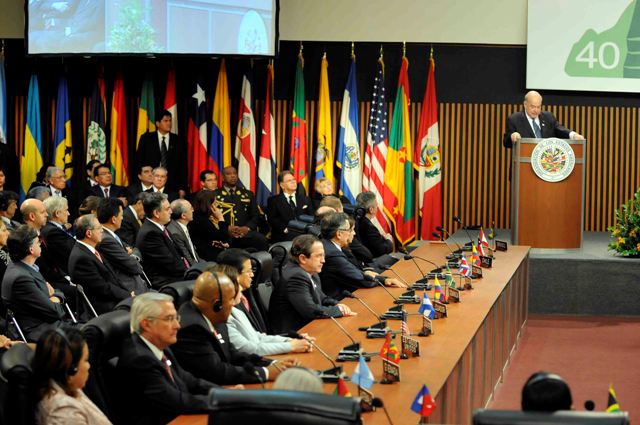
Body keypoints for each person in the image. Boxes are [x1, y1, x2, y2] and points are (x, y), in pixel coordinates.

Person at [173, 270, 295, 385]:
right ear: (217, 304)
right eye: (231, 299)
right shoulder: (192, 329)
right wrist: (266, 373)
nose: (235, 303)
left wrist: (272, 363)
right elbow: (217, 372)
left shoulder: (212, 313)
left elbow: (232, 354)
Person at [116, 292, 218, 425]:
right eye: (169, 319)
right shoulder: (139, 360)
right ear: (146, 324)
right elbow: (177, 401)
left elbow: (189, 381)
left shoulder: (159, 345)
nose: (177, 326)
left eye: (176, 318)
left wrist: (225, 394)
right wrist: (225, 401)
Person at [218, 249, 313, 356]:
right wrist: (291, 346)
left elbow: (257, 337)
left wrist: (290, 340)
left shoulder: (239, 305)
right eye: (249, 271)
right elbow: (247, 348)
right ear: (235, 275)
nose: (252, 275)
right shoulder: (224, 313)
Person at [268, 234, 356, 334]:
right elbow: (310, 311)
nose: (323, 260)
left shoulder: (310, 271)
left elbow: (322, 297)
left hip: (308, 325)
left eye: (323, 255)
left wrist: (337, 304)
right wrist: (338, 311)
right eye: (318, 256)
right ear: (303, 258)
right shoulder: (295, 277)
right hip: (294, 333)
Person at [33, 326, 112, 425]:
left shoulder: (67, 386)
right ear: (72, 369)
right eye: (85, 360)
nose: (88, 366)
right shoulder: (63, 412)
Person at [1, 225, 66, 342]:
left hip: (49, 324)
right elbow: (55, 312)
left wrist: (54, 297)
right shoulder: (21, 278)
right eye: (38, 241)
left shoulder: (25, 267)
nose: (40, 243)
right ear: (31, 249)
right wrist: (55, 296)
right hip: (43, 331)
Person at [319, 212, 405, 300]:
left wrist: (365, 273)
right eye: (350, 230)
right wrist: (384, 280)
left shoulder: (329, 246)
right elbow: (359, 279)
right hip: (339, 301)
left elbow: (353, 271)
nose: (354, 233)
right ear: (339, 234)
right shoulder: (333, 254)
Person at [68, 214, 133, 315]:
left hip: (113, 299)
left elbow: (112, 277)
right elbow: (102, 288)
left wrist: (128, 293)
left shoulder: (89, 249)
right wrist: (127, 295)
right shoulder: (81, 258)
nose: (102, 230)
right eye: (99, 228)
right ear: (89, 233)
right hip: (104, 308)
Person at [96, 198, 149, 295]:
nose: (122, 218)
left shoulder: (111, 235)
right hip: (130, 290)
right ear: (113, 219)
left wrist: (131, 255)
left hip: (138, 285)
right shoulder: (106, 240)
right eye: (121, 215)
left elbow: (134, 249)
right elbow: (134, 267)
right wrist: (130, 256)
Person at [136, 192, 187, 288]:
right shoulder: (150, 234)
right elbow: (170, 264)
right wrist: (190, 272)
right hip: (166, 282)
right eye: (167, 209)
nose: (171, 212)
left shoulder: (158, 226)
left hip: (175, 275)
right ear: (156, 213)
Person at [213, 166, 269, 252]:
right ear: (223, 177)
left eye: (234, 173)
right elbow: (212, 217)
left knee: (261, 240)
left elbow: (255, 215)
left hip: (245, 232)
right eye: (228, 174)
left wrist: (247, 228)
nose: (233, 176)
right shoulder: (215, 194)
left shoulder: (248, 194)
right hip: (225, 232)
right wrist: (226, 228)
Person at [503, 90, 585, 148]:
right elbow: (506, 143)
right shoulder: (515, 119)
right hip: (524, 163)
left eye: (538, 107)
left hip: (546, 163)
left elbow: (559, 129)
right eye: (532, 107)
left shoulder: (548, 117)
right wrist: (512, 136)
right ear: (525, 104)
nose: (536, 110)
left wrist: (573, 135)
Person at [136, 110, 187, 193]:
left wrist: (182, 188)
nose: (169, 123)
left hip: (173, 186)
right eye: (165, 121)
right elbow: (139, 161)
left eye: (170, 120)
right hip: (150, 185)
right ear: (157, 123)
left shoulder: (178, 140)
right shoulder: (146, 139)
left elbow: (183, 165)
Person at [266, 170, 314, 243]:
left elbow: (311, 217)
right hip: (284, 234)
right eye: (289, 181)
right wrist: (285, 229)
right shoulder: (273, 200)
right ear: (282, 185)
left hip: (304, 233)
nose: (293, 182)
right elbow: (272, 219)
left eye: (294, 179)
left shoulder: (305, 199)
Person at [189, 190, 229, 261]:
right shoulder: (201, 220)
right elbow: (223, 237)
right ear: (209, 205)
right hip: (205, 258)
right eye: (215, 203)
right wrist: (221, 218)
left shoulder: (199, 217)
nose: (217, 205)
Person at [167, 199, 202, 266]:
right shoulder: (175, 233)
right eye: (191, 208)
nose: (193, 210)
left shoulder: (182, 226)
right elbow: (187, 258)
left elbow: (193, 253)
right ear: (183, 216)